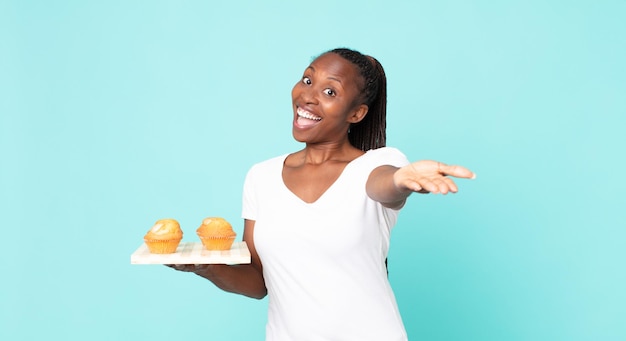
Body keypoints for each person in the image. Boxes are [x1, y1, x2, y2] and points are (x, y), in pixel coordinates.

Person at [169, 47, 475, 340]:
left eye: (330, 92)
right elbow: (259, 282)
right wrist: (206, 267)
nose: (308, 96)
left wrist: (401, 179)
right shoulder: (260, 177)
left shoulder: (380, 163)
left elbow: (382, 185)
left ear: (357, 113)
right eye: (307, 80)